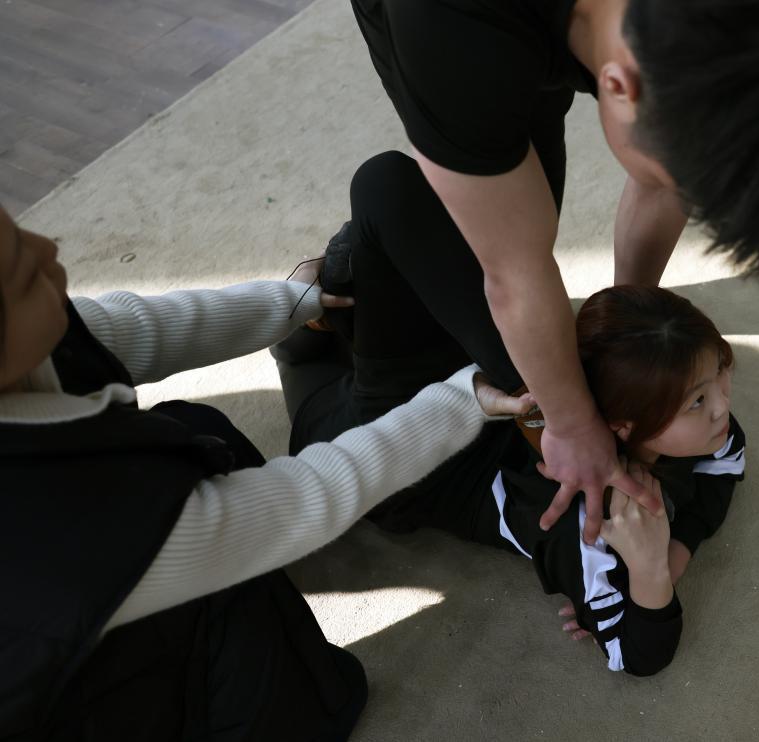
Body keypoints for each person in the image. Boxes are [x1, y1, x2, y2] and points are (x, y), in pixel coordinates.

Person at [347, 0, 759, 542]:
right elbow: (514, 272)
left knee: (533, 202)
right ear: (619, 85)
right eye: (681, 187)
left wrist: (629, 331)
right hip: (451, 32)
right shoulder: (452, 41)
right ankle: (355, 256)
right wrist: (572, 423)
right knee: (496, 242)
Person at [0, 204, 532, 740]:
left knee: (196, 432)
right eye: (24, 273)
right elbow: (299, 502)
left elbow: (142, 327)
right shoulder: (66, 524)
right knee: (250, 622)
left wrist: (292, 300)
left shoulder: (32, 342)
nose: (48, 247)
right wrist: (459, 401)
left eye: (20, 234)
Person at [273, 153, 746, 675]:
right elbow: (721, 469)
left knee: (319, 335)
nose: (723, 406)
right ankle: (332, 304)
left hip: (400, 459)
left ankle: (313, 318)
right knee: (393, 191)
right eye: (700, 398)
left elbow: (634, 652)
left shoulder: (602, 523)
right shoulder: (686, 438)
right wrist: (654, 565)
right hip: (476, 383)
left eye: (720, 372)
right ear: (623, 425)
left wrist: (660, 562)